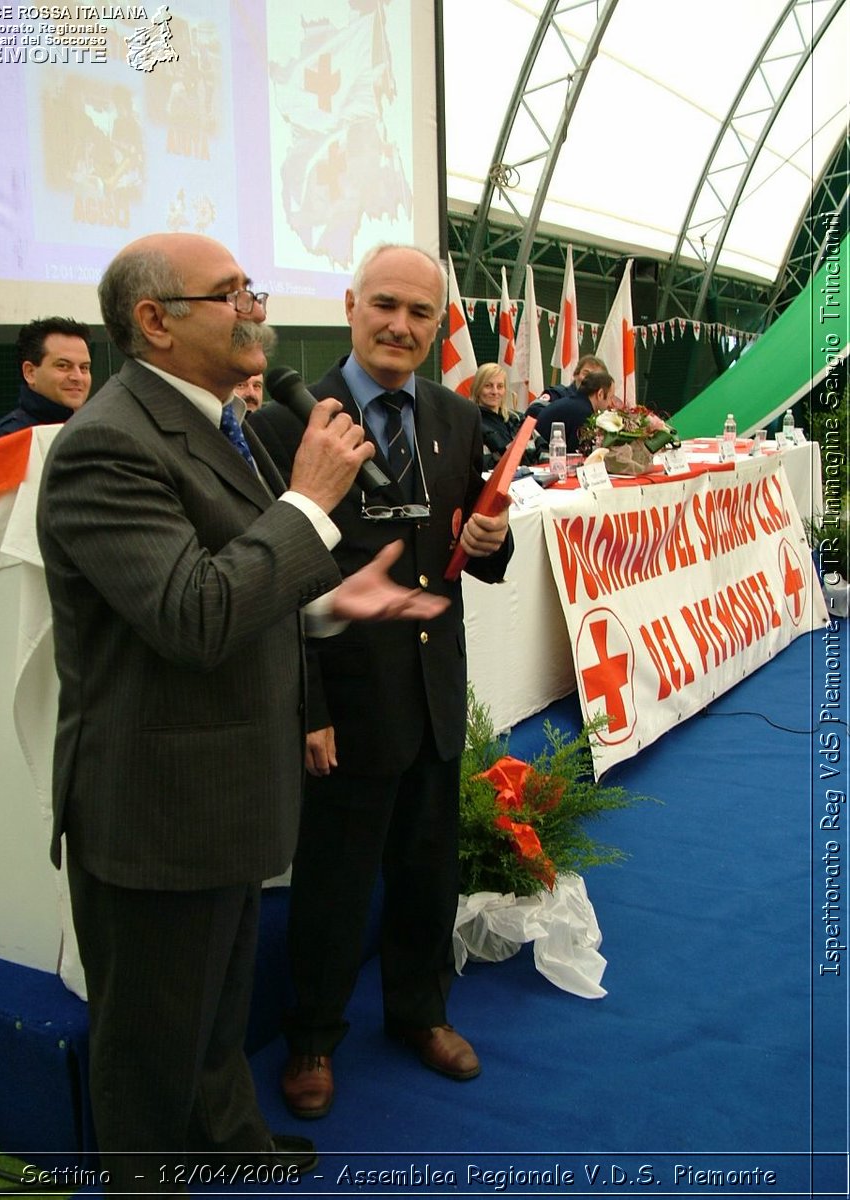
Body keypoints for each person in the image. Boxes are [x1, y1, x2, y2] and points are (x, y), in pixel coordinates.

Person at [35, 232, 449, 1194]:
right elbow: (194, 615)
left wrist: (328, 602)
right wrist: (309, 505)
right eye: (231, 293)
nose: (255, 306)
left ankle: (229, 1141)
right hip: (156, 811)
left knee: (216, 1014)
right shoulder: (107, 443)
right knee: (149, 1049)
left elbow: (235, 579)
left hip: (224, 792)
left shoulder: (214, 421)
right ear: (156, 321)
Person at [250, 243, 513, 1122]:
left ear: (438, 326)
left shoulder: (452, 412)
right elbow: (274, 575)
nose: (402, 326)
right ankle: (315, 1038)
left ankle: (420, 1014)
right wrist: (310, 705)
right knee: (333, 883)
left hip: (434, 688)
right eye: (387, 306)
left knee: (427, 871)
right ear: (352, 305)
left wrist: (489, 543)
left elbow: (473, 530)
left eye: (422, 314)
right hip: (344, 701)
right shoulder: (288, 423)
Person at [0, 317, 92, 443]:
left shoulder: (95, 430)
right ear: (30, 372)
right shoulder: (3, 440)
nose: (77, 377)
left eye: (84, 367)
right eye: (63, 366)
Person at [471, 360, 544, 471]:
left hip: (534, 482)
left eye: (500, 386)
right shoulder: (472, 423)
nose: (495, 392)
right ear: (477, 389)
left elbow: (543, 448)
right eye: (488, 386)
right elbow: (481, 464)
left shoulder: (518, 419)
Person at [535, 368, 617, 453]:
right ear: (600, 394)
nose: (611, 404)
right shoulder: (583, 413)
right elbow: (576, 455)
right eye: (611, 398)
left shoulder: (575, 405)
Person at [525, 353, 607, 421]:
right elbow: (533, 410)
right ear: (576, 375)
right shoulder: (558, 394)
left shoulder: (602, 408)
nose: (589, 379)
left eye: (595, 376)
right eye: (586, 373)